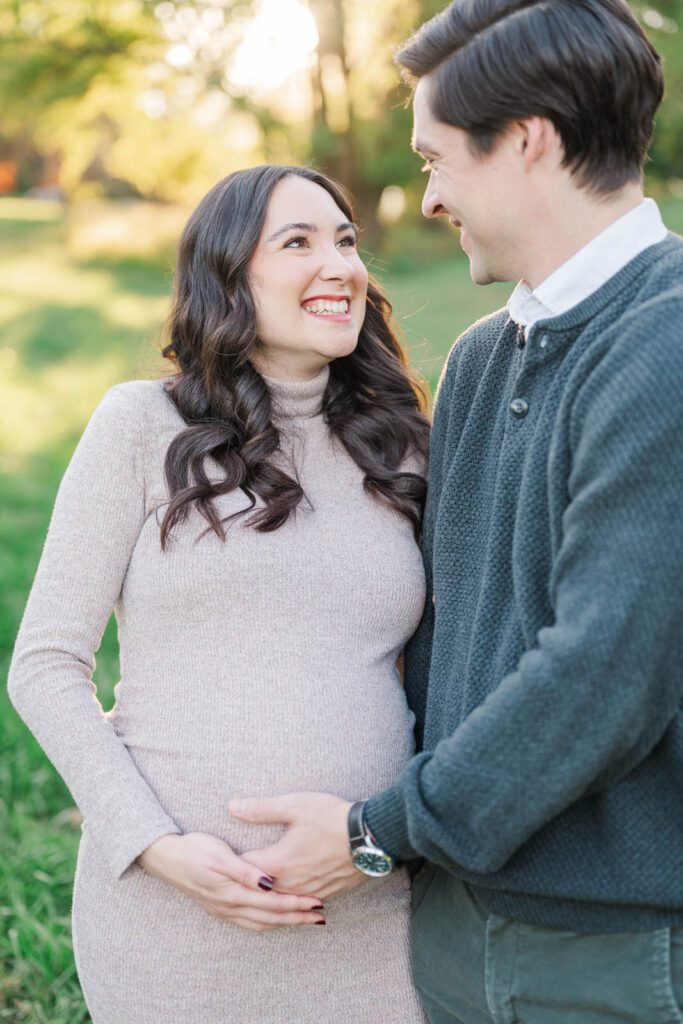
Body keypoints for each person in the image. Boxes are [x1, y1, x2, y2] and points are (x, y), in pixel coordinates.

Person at [226, 2, 683, 1022]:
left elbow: (605, 668)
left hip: (605, 951)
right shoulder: (480, 358)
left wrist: (370, 832)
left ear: (526, 142)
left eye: (436, 160)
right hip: (443, 928)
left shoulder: (665, 344)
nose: (425, 198)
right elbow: (426, 619)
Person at [8, 164, 431, 1024]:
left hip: (373, 912)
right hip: (174, 924)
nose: (340, 264)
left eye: (346, 241)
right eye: (298, 242)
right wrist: (157, 848)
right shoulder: (140, 426)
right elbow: (45, 665)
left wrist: (384, 838)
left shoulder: (409, 450)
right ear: (229, 278)